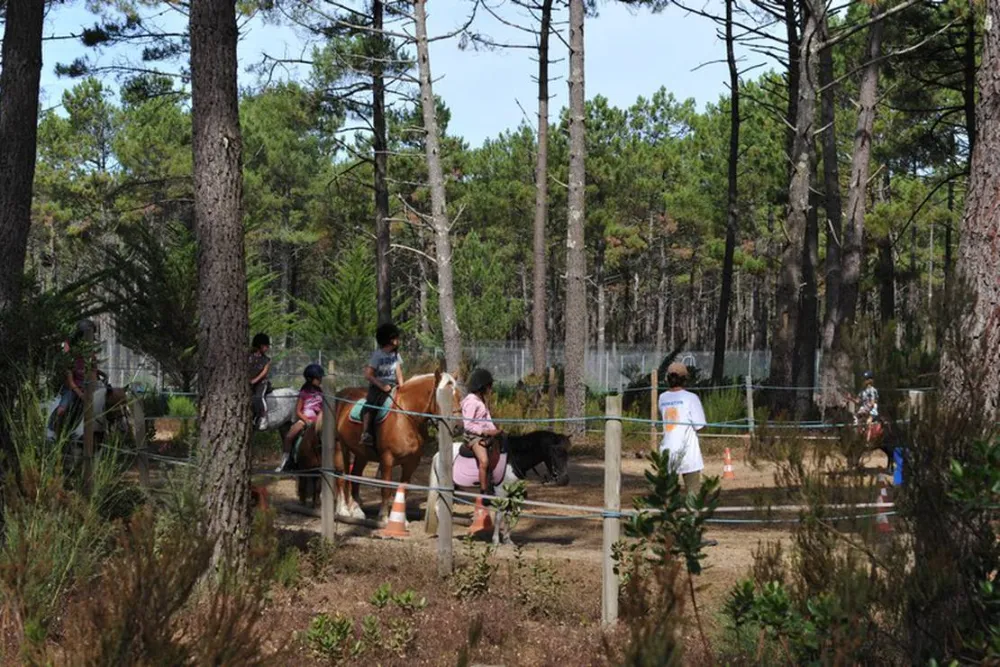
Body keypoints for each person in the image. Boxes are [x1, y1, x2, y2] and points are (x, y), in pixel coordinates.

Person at [657, 362, 707, 496]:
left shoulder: (662, 398)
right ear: (685, 379)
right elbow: (700, 426)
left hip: (668, 453)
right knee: (693, 496)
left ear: (668, 378)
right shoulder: (691, 398)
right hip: (689, 454)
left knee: (669, 497)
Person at [360, 323, 404, 447]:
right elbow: (368, 375)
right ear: (388, 339)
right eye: (395, 337)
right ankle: (366, 433)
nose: (398, 340)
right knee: (371, 404)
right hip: (378, 387)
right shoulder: (377, 355)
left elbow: (399, 372)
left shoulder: (395, 355)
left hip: (393, 385)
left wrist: (402, 386)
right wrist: (382, 386)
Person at [52, 319, 98, 435]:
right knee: (62, 411)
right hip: (73, 388)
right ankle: (55, 435)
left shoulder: (91, 353)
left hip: (88, 386)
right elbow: (70, 381)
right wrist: (82, 394)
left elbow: (94, 370)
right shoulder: (69, 352)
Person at [461, 368, 503, 494]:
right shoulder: (471, 402)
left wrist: (495, 431)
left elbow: (488, 420)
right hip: (474, 437)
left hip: (485, 434)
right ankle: (483, 491)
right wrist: (485, 432)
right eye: (488, 386)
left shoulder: (481, 401)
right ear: (481, 387)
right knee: (484, 461)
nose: (490, 389)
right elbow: (468, 424)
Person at [277, 364, 325, 472]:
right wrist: (306, 420)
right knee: (289, 436)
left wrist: (319, 418)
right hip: (305, 419)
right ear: (310, 379)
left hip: (318, 420)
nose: (320, 380)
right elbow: (298, 411)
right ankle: (287, 461)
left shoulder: (321, 392)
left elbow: (322, 408)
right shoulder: (304, 392)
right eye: (318, 378)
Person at [249, 333, 271, 430]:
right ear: (261, 346)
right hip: (249, 381)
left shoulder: (266, 359)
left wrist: (254, 381)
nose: (268, 348)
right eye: (266, 346)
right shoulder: (248, 357)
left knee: (259, 397)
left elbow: (264, 372)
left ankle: (263, 416)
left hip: (261, 383)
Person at [856, 370, 881, 441]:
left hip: (871, 410)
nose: (864, 381)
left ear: (870, 380)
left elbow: (872, 403)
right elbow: (857, 401)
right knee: (857, 421)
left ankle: (867, 441)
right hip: (863, 409)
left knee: (868, 422)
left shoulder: (873, 390)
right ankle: (859, 438)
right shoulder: (862, 391)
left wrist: (867, 409)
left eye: (866, 379)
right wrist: (850, 398)